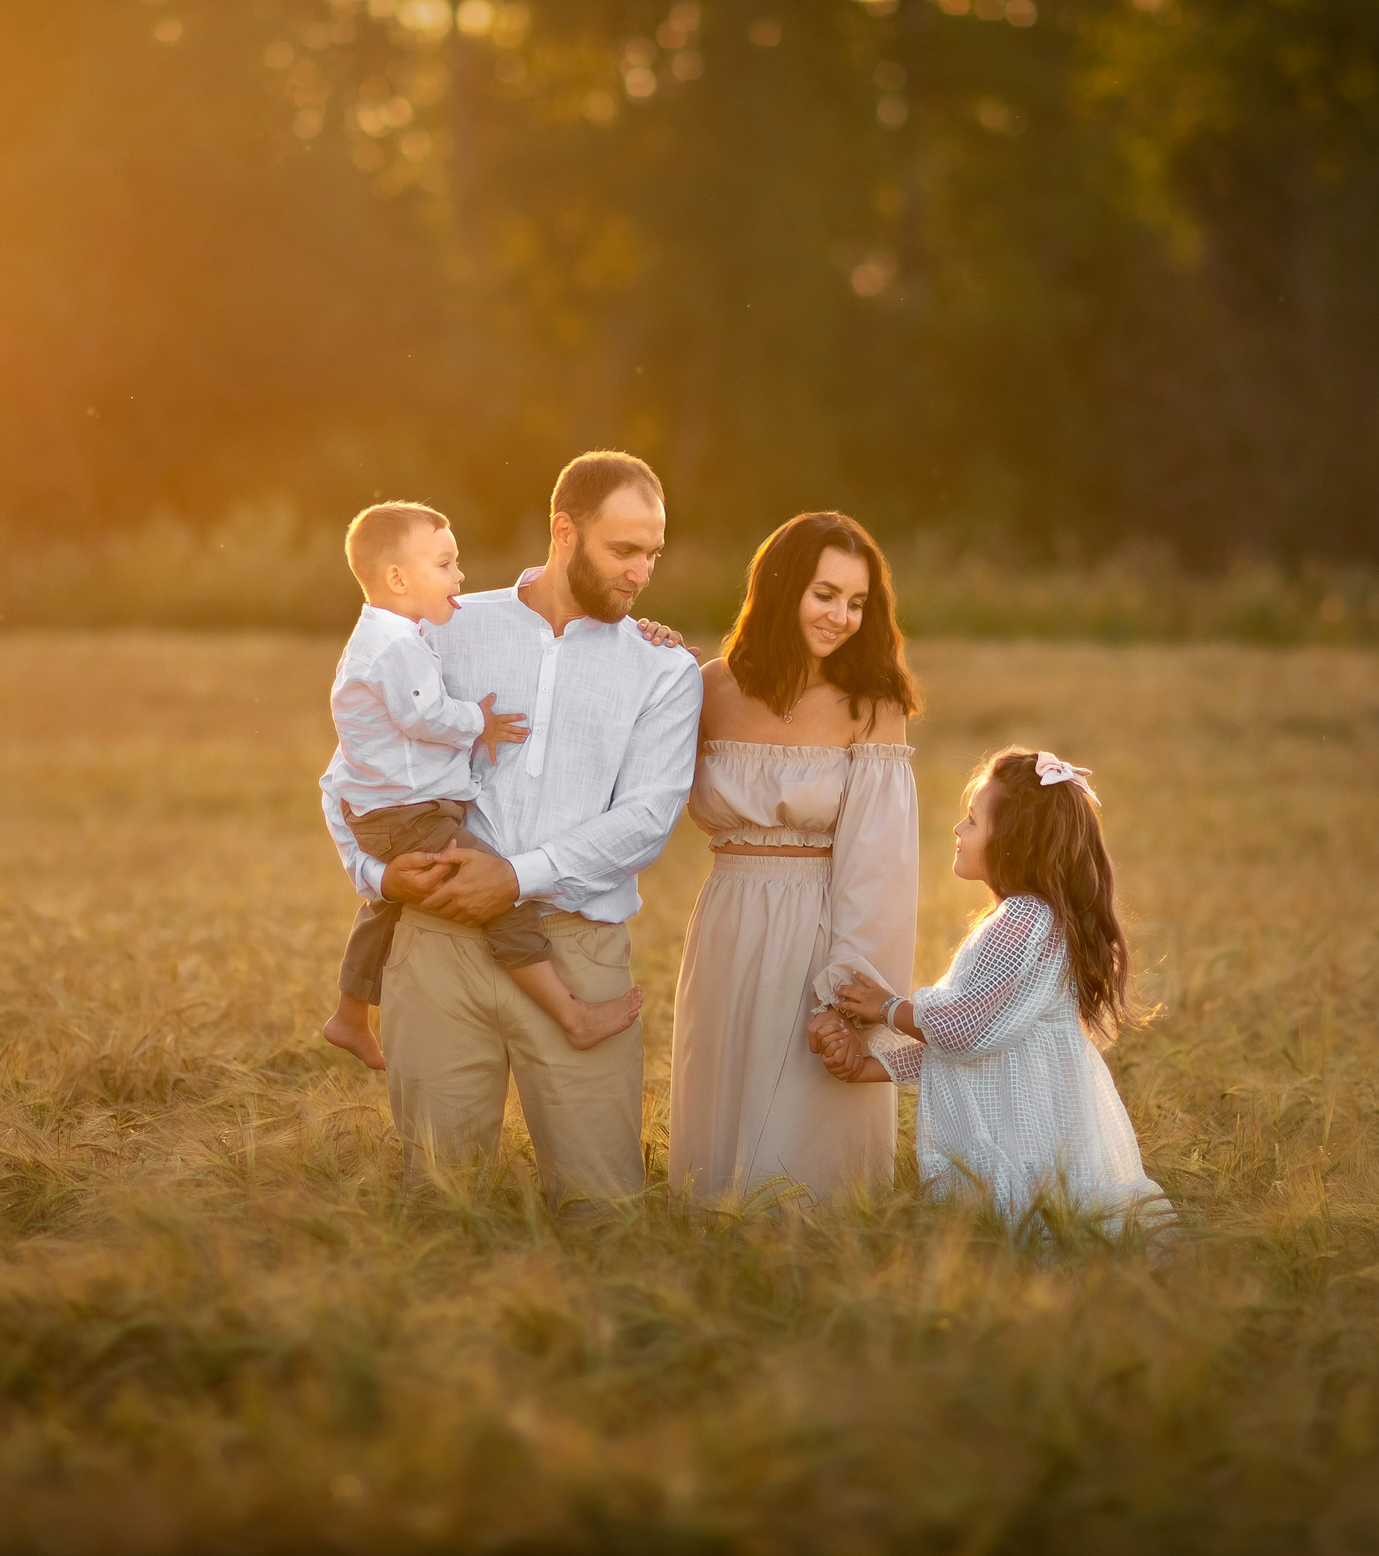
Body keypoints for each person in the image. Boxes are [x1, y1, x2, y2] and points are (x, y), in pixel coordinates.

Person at [320, 452, 702, 1209]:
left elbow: (648, 820)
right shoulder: (448, 628)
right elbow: (351, 775)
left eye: (652, 554)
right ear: (565, 530)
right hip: (436, 944)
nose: (641, 572)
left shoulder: (664, 669)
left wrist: (516, 875)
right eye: (623, 550)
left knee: (606, 1209)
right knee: (436, 1202)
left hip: (578, 950)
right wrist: (378, 878)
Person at [318, 500, 645, 1073]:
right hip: (407, 814)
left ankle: (348, 1014)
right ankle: (571, 1013)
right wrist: (480, 722)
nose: (460, 576)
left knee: (388, 903)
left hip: (383, 812)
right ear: (398, 578)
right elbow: (426, 716)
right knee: (499, 892)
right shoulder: (398, 647)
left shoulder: (386, 634)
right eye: (445, 564)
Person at [668, 511, 921, 1206]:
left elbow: (882, 866)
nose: (842, 615)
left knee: (809, 1138)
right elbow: (641, 791)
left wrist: (855, 991)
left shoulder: (872, 705)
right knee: (726, 1099)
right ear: (781, 589)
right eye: (825, 593)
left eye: (857, 601)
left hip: (820, 921)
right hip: (727, 918)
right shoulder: (708, 688)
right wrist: (649, 664)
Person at [813, 748, 1170, 1230]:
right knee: (1054, 1228)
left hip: (1020, 1134)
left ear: (1013, 843)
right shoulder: (1041, 919)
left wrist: (887, 1007)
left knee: (1025, 1229)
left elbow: (959, 1028)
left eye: (972, 821)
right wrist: (869, 1067)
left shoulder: (1021, 921)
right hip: (1037, 1121)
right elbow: (977, 1044)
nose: (958, 832)